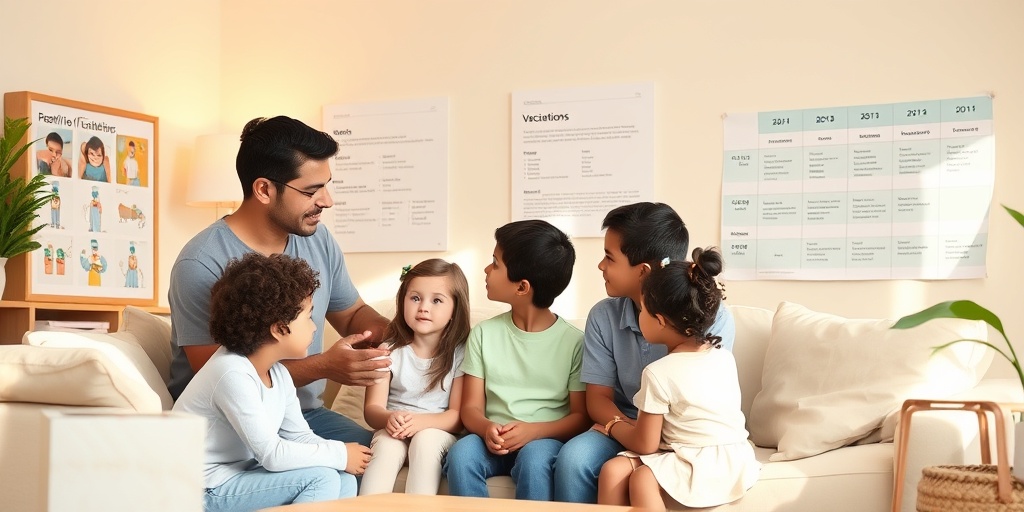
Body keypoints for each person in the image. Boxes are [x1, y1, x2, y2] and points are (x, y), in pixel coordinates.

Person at [168, 116, 390, 450]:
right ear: (264, 189)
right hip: (228, 427)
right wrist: (325, 367)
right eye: (312, 190)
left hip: (303, 415)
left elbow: (352, 313)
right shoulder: (200, 263)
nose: (327, 200)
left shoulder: (319, 240)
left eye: (327, 185)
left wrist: (405, 334)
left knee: (385, 455)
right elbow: (225, 377)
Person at [553, 201, 737, 503]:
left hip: (686, 431)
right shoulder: (603, 316)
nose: (600, 266)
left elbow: (707, 401)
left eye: (609, 258)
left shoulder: (715, 318)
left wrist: (641, 436)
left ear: (643, 271)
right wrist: (621, 426)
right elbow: (597, 398)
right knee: (573, 460)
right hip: (625, 422)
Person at [172, 253, 372, 511]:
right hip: (201, 488)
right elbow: (271, 454)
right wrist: (340, 454)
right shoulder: (231, 373)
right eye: (309, 316)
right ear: (279, 329)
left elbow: (299, 436)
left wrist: (343, 456)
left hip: (237, 475)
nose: (314, 328)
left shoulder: (276, 372)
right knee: (321, 477)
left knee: (342, 477)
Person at [597, 248, 759, 509]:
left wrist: (612, 424)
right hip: (734, 457)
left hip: (695, 459)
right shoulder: (723, 358)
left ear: (659, 320)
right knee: (613, 471)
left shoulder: (657, 373)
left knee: (642, 479)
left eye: (643, 311)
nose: (639, 317)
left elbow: (646, 444)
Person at [444, 220, 590, 501]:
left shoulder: (575, 343)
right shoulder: (484, 334)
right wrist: (487, 428)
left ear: (522, 287)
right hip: (491, 439)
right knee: (461, 454)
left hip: (543, 440)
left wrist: (534, 432)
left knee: (535, 461)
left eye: (495, 263)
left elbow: (580, 417)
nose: (487, 270)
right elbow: (471, 408)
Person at [360, 258, 471, 496]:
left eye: (437, 300)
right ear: (403, 301)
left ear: (455, 309)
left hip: (438, 432)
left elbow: (456, 417)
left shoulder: (461, 354)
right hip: (395, 430)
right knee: (387, 445)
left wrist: (420, 424)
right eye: (415, 298)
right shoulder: (388, 350)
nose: (423, 307)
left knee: (425, 441)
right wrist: (389, 418)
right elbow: (372, 410)